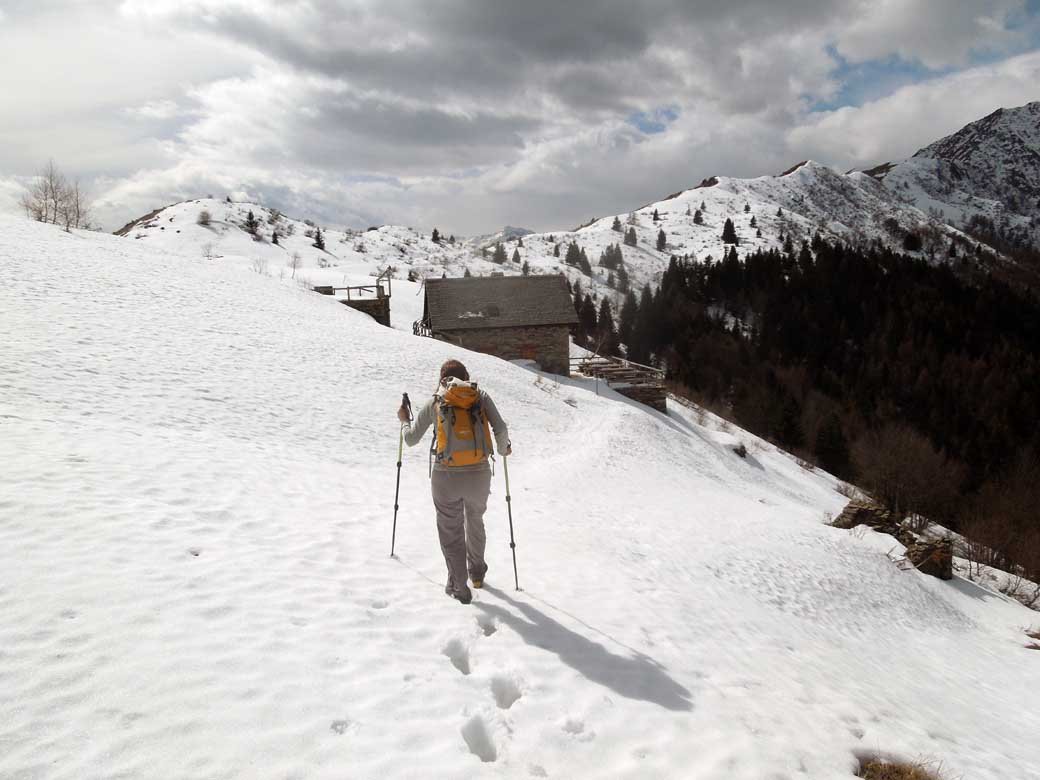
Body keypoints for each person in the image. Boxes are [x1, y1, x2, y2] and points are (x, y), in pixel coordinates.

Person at [398, 359, 510, 604]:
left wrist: (404, 420)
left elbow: (411, 439)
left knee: (451, 530)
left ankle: (458, 586)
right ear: (466, 376)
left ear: (442, 379)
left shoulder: (437, 401)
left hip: (446, 475)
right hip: (479, 473)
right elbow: (500, 429)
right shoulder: (480, 396)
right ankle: (477, 572)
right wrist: (504, 449)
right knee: (475, 520)